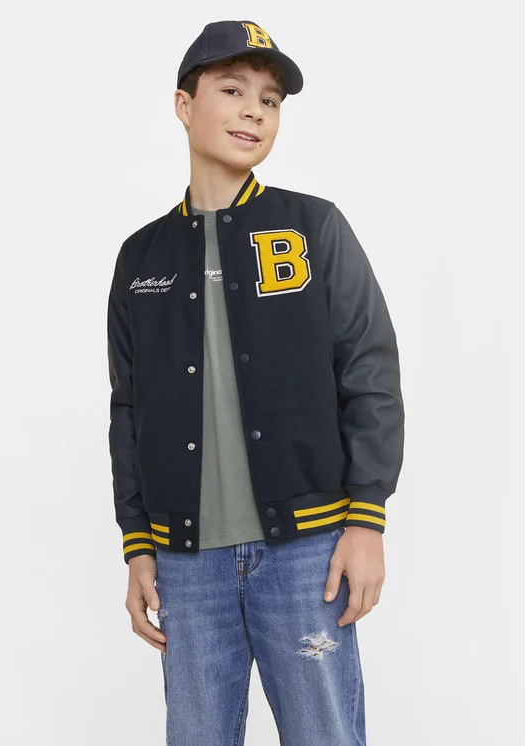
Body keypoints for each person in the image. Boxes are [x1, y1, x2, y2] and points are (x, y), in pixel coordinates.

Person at [106, 19, 405, 746]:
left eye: (269, 101)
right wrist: (137, 542)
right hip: (185, 562)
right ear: (184, 105)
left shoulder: (312, 228)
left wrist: (366, 518)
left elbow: (370, 372)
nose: (254, 112)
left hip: (308, 553)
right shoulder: (140, 256)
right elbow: (129, 409)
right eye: (233, 90)